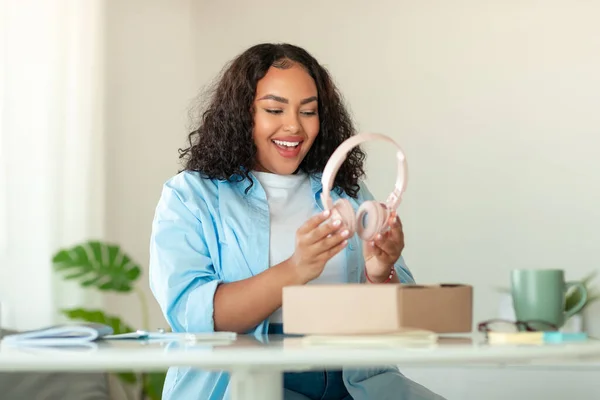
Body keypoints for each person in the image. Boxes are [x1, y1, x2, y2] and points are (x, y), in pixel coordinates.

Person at [149, 43, 445, 400]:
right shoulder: (190, 196)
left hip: (359, 383)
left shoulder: (346, 191)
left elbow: (403, 321)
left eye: (308, 111)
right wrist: (295, 269)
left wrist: (381, 270)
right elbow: (193, 316)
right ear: (242, 114)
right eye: (275, 109)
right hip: (248, 385)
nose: (294, 126)